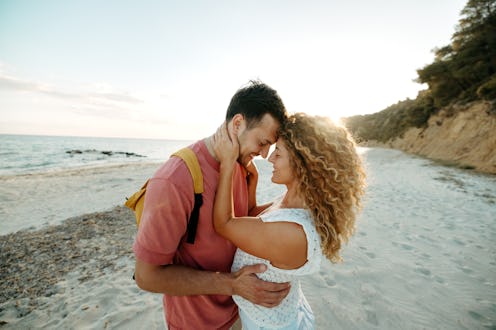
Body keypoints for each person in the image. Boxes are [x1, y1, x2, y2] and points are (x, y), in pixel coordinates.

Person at [133, 80, 291, 329]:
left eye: (270, 146)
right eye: (262, 143)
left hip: (238, 311)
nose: (263, 154)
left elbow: (244, 218)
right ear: (237, 124)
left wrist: (293, 201)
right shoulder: (174, 180)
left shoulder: (242, 166)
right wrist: (232, 284)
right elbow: (146, 276)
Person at [212, 112, 366, 329]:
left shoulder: (293, 231)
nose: (270, 158)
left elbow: (224, 224)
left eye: (279, 153)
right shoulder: (291, 201)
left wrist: (227, 164)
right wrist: (253, 179)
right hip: (280, 312)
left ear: (303, 163)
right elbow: (255, 216)